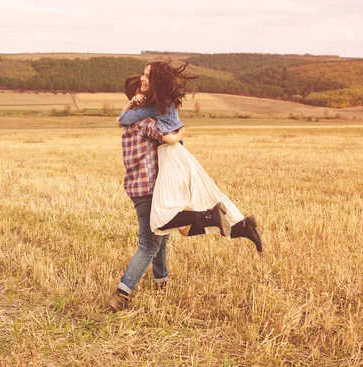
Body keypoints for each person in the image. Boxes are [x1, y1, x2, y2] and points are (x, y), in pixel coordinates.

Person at [109, 60, 262, 312]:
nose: (143, 80)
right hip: (161, 174)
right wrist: (181, 133)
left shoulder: (143, 118)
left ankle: (145, 285)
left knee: (161, 233)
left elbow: (123, 118)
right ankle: (138, 288)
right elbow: (164, 134)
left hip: (156, 177)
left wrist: (135, 103)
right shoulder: (155, 115)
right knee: (163, 233)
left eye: (147, 76)